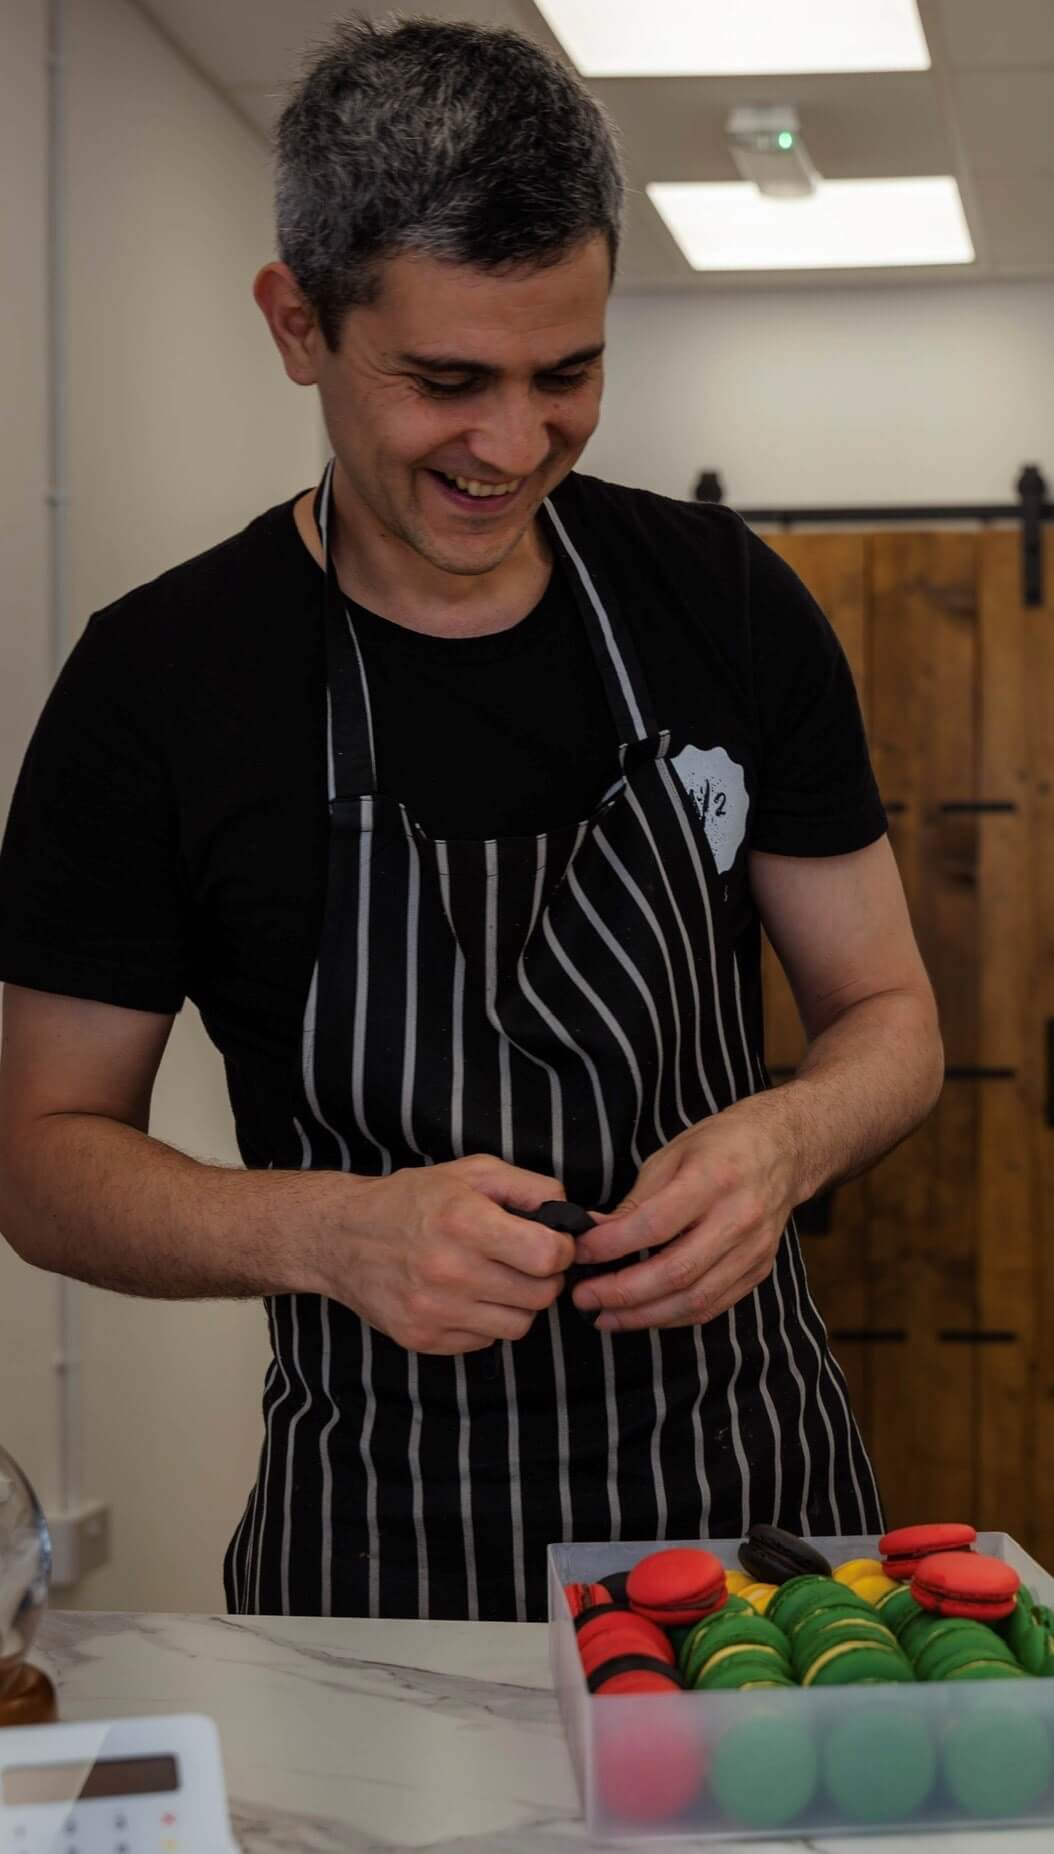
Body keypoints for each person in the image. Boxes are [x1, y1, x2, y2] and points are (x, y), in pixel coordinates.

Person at [0, 19, 942, 1621]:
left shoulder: (720, 606)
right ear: (297, 323)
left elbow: (891, 1015)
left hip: (749, 1533)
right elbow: (40, 1159)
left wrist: (785, 1140)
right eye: (447, 381)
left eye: (565, 374)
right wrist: (333, 1233)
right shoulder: (162, 681)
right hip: (380, 1544)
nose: (513, 447)